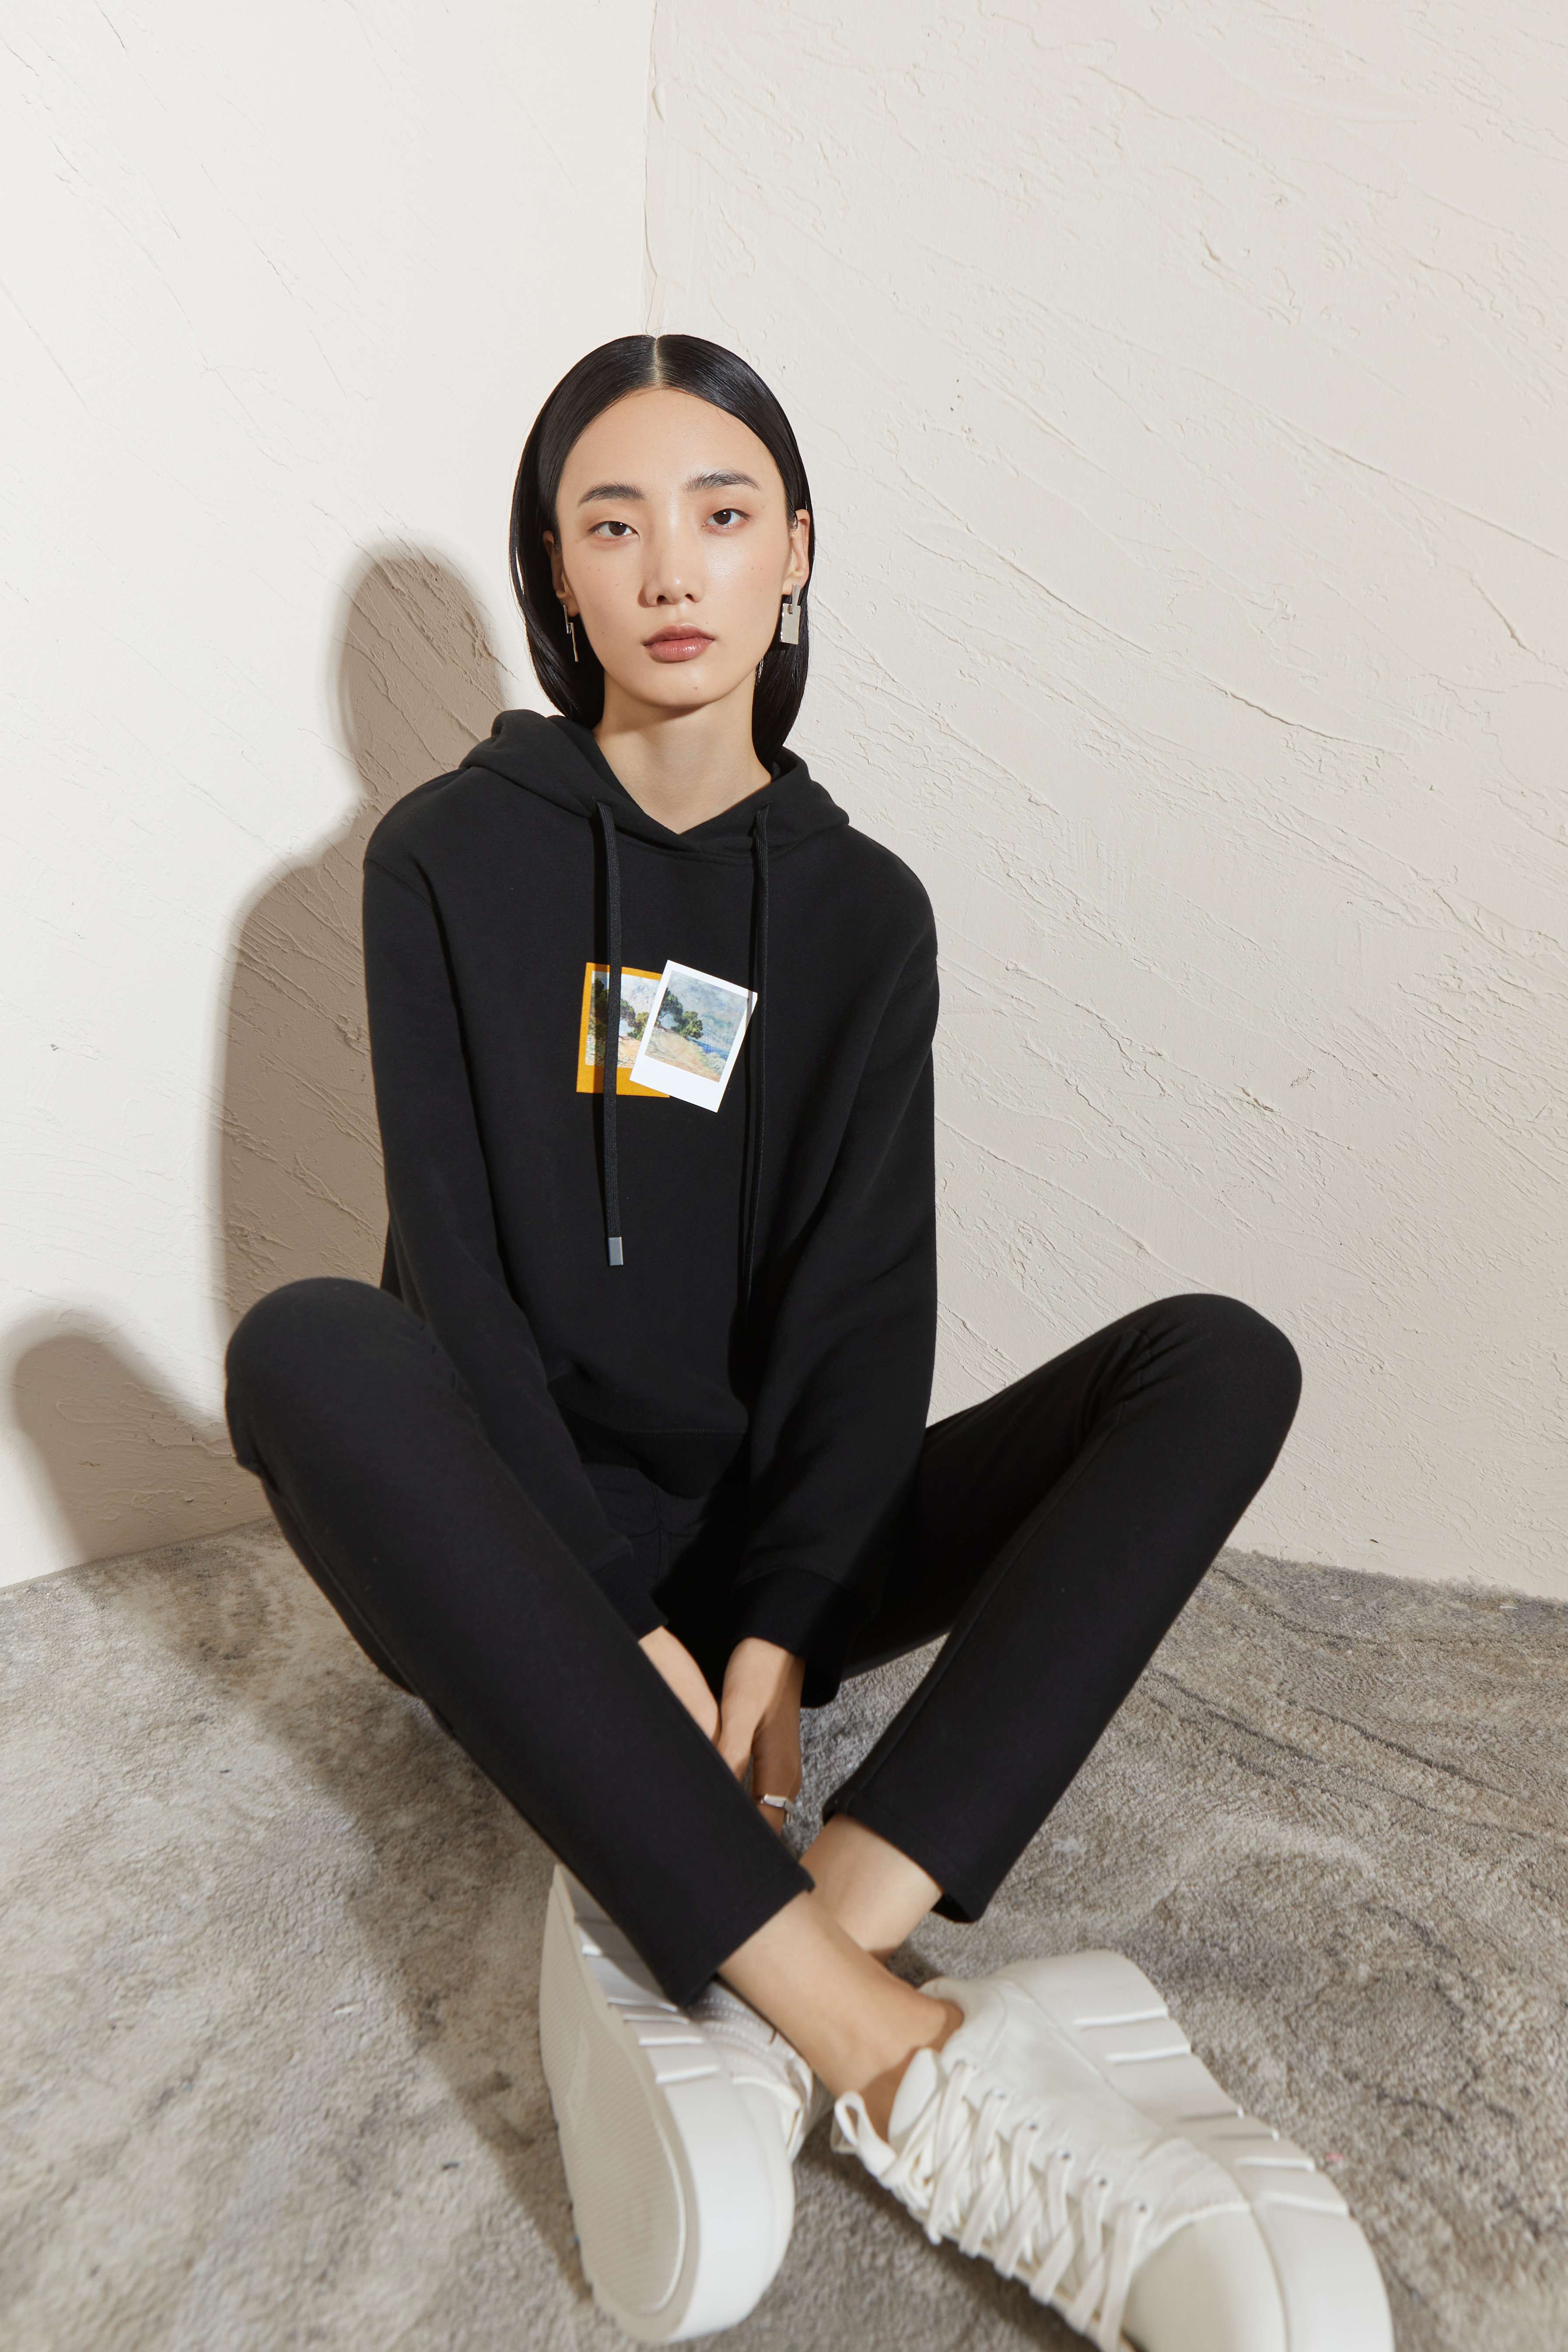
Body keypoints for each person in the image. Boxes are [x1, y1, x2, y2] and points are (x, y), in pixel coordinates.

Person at [224, 334, 1392, 2350]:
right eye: (612, 523)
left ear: (793, 554)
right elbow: (459, 1285)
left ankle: (769, 1970)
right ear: (555, 571)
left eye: (720, 512)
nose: (671, 565)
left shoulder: (862, 913)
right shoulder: (443, 861)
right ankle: (885, 2049)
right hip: (508, 1560)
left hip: (772, 1563)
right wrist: (615, 1619)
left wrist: (771, 1635)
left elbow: (864, 1317)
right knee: (311, 1343)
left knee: (1218, 1359)